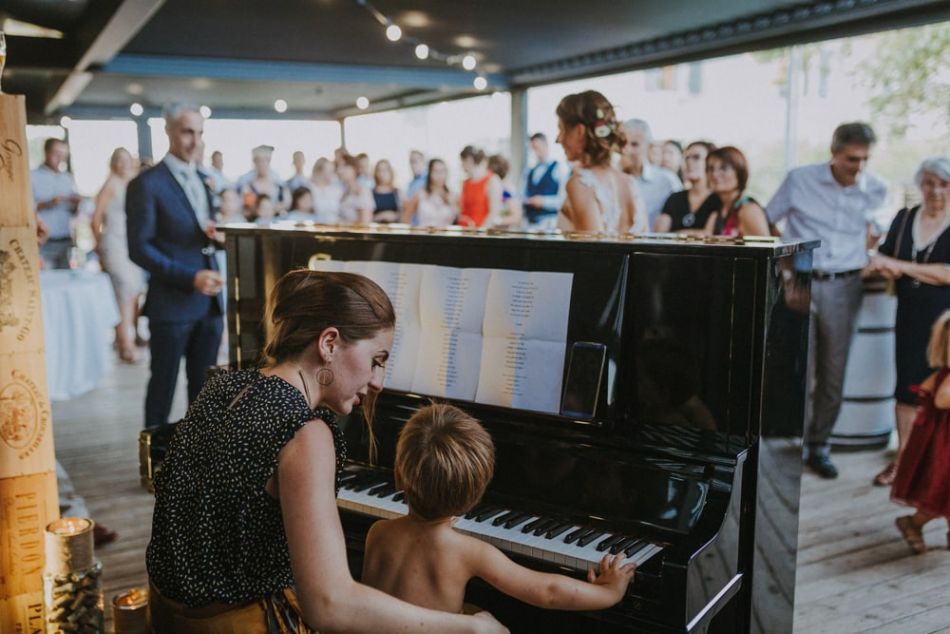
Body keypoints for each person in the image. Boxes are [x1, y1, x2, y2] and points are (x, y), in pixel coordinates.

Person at [146, 270, 506, 633]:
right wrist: (469, 628)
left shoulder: (223, 388)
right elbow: (331, 606)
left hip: (166, 617)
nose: (379, 381)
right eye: (376, 360)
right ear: (329, 343)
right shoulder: (305, 432)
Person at [362, 403, 635, 614]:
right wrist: (610, 593)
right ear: (472, 500)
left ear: (398, 477)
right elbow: (548, 591)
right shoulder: (468, 552)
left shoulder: (378, 532)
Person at [766, 122, 888, 479]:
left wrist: (868, 250)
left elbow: (876, 234)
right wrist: (788, 265)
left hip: (845, 284)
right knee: (796, 367)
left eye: (865, 159)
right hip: (801, 280)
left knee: (833, 372)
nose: (859, 167)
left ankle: (819, 446)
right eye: (852, 159)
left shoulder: (875, 188)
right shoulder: (800, 179)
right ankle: (788, 442)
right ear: (834, 153)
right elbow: (768, 218)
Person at [127, 103, 224, 429]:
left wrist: (220, 237)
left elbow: (202, 233)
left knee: (205, 390)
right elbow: (139, 248)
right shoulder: (147, 184)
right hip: (171, 304)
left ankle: (196, 462)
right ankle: (153, 464)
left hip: (210, 304)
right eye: (186, 131)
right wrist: (190, 278)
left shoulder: (205, 179)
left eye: (199, 133)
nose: (194, 140)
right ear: (168, 131)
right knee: (163, 388)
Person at [868, 156, 950, 486]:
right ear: (920, 185)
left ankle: (934, 467)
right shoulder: (904, 218)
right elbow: (883, 256)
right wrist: (883, 265)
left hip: (945, 322)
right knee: (905, 387)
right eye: (929, 183)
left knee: (941, 389)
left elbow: (947, 274)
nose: (936, 191)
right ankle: (903, 460)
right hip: (909, 315)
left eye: (944, 184)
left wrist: (902, 267)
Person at [890, 311, 950, 554]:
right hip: (945, 446)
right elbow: (942, 399)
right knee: (939, 495)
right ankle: (912, 524)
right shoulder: (947, 377)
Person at [555, 91, 638, 233]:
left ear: (579, 131)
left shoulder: (581, 183)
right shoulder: (629, 182)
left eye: (561, 130)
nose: (558, 139)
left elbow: (593, 253)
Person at [91, 147, 145, 364]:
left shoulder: (132, 182)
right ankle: (127, 346)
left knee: (133, 292)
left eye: (126, 160)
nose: (123, 164)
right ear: (113, 163)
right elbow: (95, 219)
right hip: (113, 243)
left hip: (130, 244)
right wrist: (99, 246)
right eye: (118, 160)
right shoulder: (110, 184)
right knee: (124, 290)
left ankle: (122, 337)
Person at [620, 120, 683, 230]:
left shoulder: (667, 180)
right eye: (623, 143)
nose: (627, 150)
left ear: (648, 146)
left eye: (634, 144)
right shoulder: (610, 180)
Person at [32, 138, 81, 268]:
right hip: (44, 242)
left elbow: (74, 212)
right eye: (56, 153)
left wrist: (76, 204)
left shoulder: (67, 178)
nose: (60, 158)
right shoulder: (32, 176)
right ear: (46, 152)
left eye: (63, 155)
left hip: (65, 239)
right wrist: (50, 203)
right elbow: (27, 210)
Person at [702, 146, 770, 237]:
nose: (714, 174)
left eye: (724, 168)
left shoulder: (748, 210)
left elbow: (766, 249)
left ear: (739, 171)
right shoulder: (717, 213)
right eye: (710, 169)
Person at [655, 141, 717, 234]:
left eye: (696, 157)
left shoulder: (719, 200)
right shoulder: (674, 198)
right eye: (686, 158)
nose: (689, 162)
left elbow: (710, 236)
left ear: (711, 162)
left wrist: (675, 235)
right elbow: (659, 235)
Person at [521, 132, 568, 230]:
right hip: (529, 224)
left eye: (537, 147)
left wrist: (544, 201)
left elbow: (563, 200)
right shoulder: (529, 171)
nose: (535, 152)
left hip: (550, 224)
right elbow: (522, 195)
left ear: (546, 145)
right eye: (533, 148)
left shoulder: (559, 169)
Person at [402, 158, 457, 227]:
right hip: (424, 234)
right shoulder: (420, 194)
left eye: (442, 171)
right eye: (436, 171)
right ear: (430, 173)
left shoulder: (451, 196)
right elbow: (406, 217)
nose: (440, 175)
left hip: (445, 236)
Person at [458, 145, 503, 227]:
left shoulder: (492, 180)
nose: (462, 165)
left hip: (482, 232)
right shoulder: (465, 183)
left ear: (469, 160)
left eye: (463, 161)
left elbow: (494, 212)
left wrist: (480, 233)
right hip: (465, 231)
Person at [237, 145, 288, 213]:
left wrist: (276, 208)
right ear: (254, 163)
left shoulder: (278, 184)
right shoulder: (248, 186)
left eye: (265, 160)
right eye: (259, 161)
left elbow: (286, 203)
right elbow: (248, 206)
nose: (262, 164)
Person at [337, 154, 375, 224]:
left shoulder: (363, 192)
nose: (339, 170)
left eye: (344, 166)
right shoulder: (345, 193)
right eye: (338, 166)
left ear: (354, 169)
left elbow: (365, 223)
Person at [487, 154, 523, 227]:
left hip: (501, 233)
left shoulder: (507, 190)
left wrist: (496, 220)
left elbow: (516, 217)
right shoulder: (486, 187)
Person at [309, 157, 343, 224]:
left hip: (334, 227)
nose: (333, 174)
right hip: (314, 226)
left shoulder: (337, 190)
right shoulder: (309, 188)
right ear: (320, 171)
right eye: (330, 171)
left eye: (333, 171)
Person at [371, 159, 401, 224]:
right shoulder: (370, 193)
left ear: (390, 172)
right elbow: (367, 217)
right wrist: (381, 216)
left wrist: (394, 215)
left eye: (385, 170)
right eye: (380, 170)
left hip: (395, 230)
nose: (383, 173)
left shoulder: (398, 192)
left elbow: (404, 214)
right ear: (375, 173)